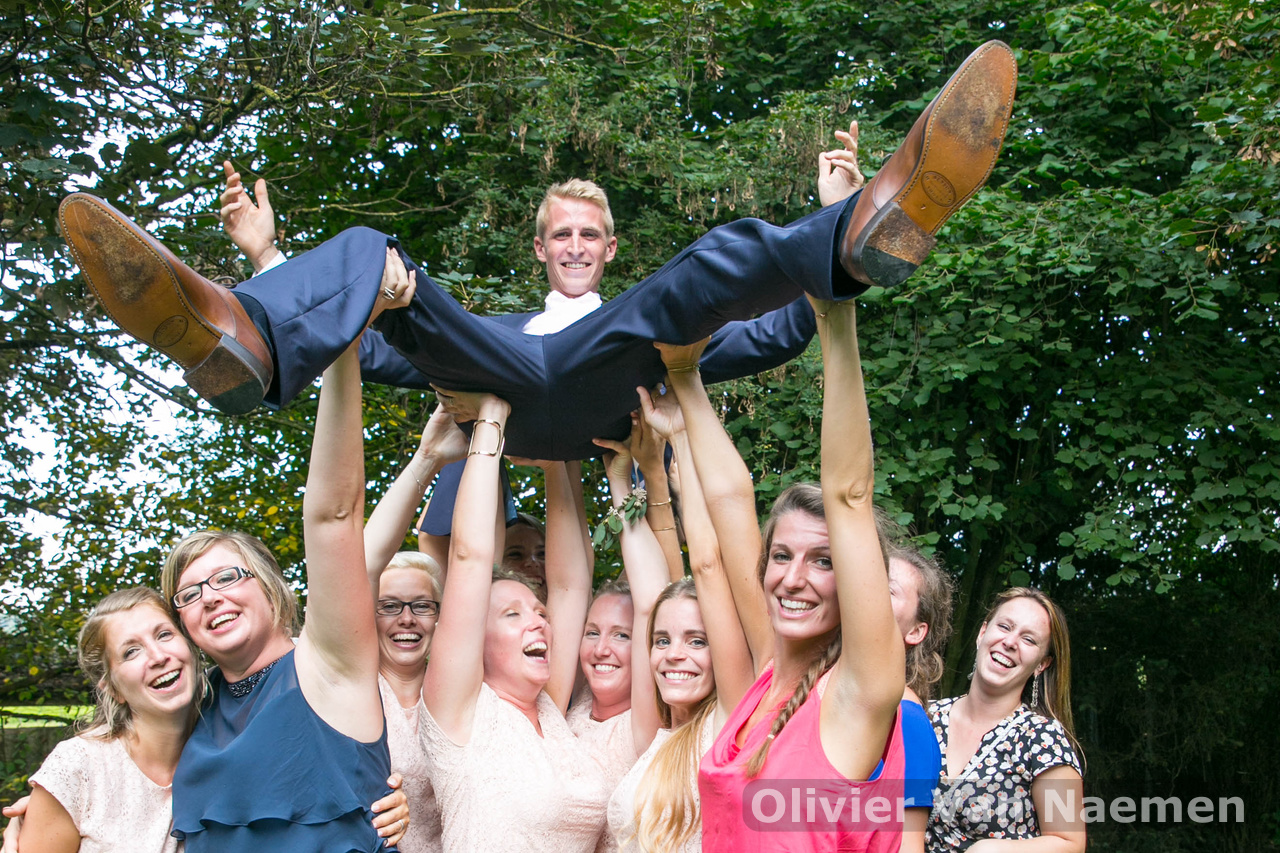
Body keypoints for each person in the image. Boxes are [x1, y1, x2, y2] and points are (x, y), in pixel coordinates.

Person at [56, 42, 1017, 460]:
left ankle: (856, 231)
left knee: (706, 264)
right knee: (373, 257)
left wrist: (823, 220)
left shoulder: (645, 318)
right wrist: (273, 261)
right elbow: (376, 351)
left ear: (610, 246)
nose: (576, 245)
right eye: (561, 233)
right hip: (504, 395)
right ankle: (237, 332)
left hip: (609, 396)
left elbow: (770, 338)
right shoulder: (499, 328)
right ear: (540, 247)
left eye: (591, 234)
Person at [156, 260, 415, 851]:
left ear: (271, 588)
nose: (210, 597)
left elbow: (336, 520)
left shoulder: (325, 665)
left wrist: (344, 338)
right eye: (189, 594)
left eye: (227, 577)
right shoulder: (189, 707)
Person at [660, 285, 910, 850]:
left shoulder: (858, 692)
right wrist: (683, 376)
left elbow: (849, 495)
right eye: (780, 556)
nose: (793, 579)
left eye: (823, 561)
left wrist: (834, 302)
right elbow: (730, 500)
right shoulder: (768, 673)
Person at [417, 390, 610, 852]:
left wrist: (558, 456)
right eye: (512, 614)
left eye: (540, 613)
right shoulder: (460, 712)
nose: (539, 622)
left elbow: (570, 586)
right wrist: (490, 421)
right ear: (473, 638)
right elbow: (469, 557)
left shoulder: (549, 706)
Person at [16, 588, 198, 853]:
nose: (158, 657)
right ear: (112, 688)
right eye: (131, 652)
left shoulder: (230, 734)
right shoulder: (77, 768)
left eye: (164, 635)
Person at [926, 588, 1085, 852]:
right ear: (982, 633)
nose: (1010, 642)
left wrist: (990, 850)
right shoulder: (925, 717)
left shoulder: (1042, 738)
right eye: (1004, 627)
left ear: (1042, 664)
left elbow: (1070, 844)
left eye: (1029, 639)